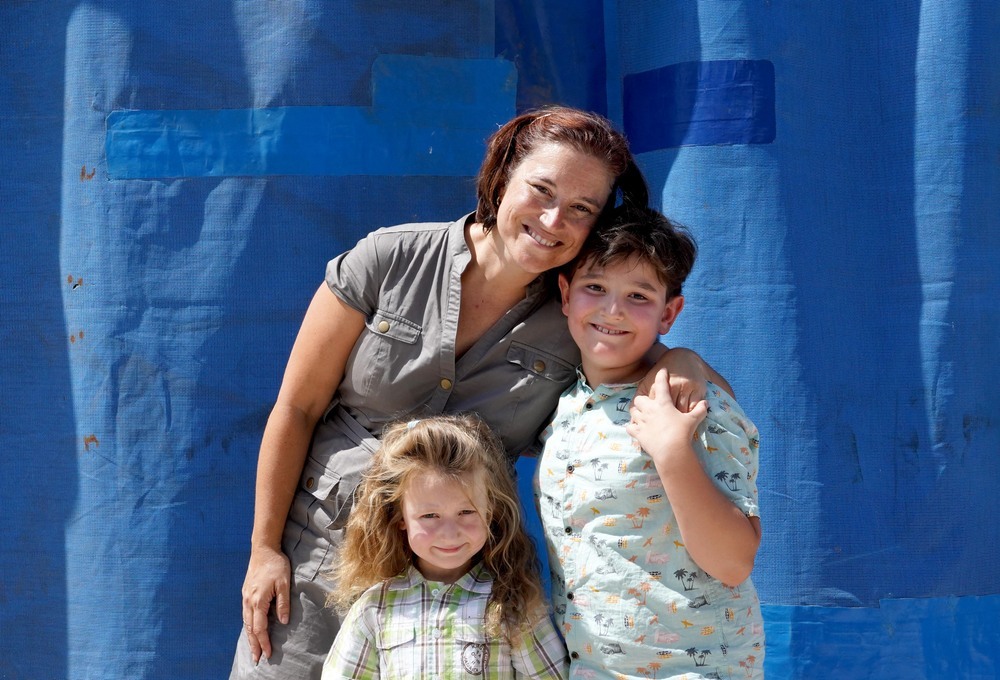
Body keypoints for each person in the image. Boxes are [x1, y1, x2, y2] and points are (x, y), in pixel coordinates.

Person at [231, 106, 731, 679]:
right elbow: (297, 408)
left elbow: (690, 381)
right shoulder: (389, 259)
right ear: (502, 177)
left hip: (464, 582)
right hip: (322, 557)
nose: (552, 219)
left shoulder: (576, 315)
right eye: (540, 190)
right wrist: (265, 549)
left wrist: (685, 357)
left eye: (581, 208)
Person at [535, 206, 765, 679]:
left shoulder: (691, 406)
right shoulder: (564, 405)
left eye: (638, 295)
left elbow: (733, 561)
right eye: (594, 287)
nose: (611, 309)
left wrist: (672, 450)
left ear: (670, 313)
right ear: (565, 293)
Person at [322, 415, 567, 679]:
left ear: (490, 511)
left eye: (466, 511)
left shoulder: (514, 606)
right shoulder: (374, 608)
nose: (450, 534)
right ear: (399, 517)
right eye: (429, 516)